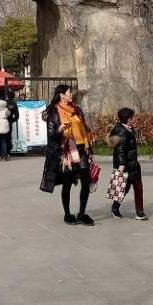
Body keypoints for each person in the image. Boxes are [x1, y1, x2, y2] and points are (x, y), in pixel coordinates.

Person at [46, 85, 93, 226]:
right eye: (69, 92)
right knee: (67, 183)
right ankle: (67, 214)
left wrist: (89, 147)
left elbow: (84, 127)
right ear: (61, 95)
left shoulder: (76, 109)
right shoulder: (54, 111)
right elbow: (51, 134)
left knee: (86, 181)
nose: (71, 94)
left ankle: (82, 214)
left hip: (81, 147)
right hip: (66, 149)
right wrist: (59, 130)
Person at [107, 108, 146, 220]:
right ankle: (115, 207)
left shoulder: (127, 127)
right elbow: (120, 150)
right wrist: (121, 166)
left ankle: (140, 211)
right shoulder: (122, 132)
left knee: (138, 187)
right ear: (129, 119)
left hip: (133, 163)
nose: (135, 118)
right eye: (133, 117)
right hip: (126, 165)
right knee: (123, 188)